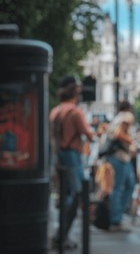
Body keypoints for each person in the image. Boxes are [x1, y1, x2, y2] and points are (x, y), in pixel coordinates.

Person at [49, 75, 94, 249]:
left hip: (58, 156)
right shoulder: (75, 112)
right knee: (75, 197)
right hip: (72, 156)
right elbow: (88, 134)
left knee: (64, 196)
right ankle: (61, 236)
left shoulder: (55, 111)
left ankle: (61, 235)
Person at [106, 101, 136, 232]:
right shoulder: (127, 116)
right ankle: (115, 219)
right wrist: (131, 141)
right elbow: (119, 134)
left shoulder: (118, 117)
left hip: (119, 156)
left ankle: (117, 216)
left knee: (129, 184)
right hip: (120, 156)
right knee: (120, 187)